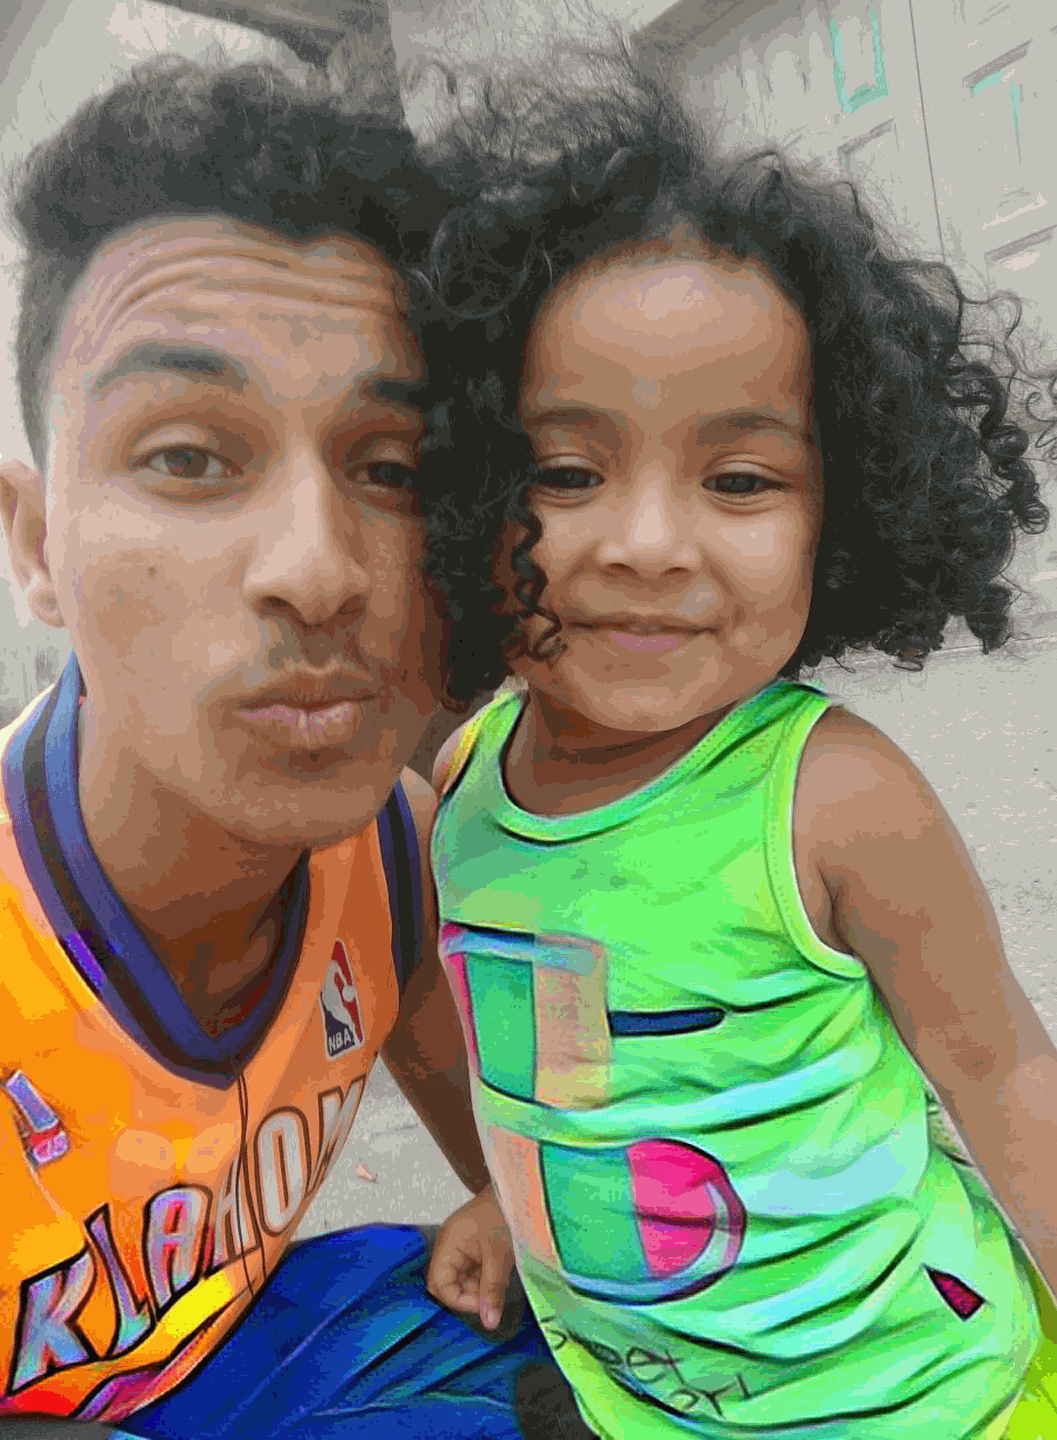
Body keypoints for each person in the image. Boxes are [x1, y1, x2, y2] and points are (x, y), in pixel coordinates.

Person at [420, 52, 1057, 1440]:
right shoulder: (465, 779)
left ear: (847, 512)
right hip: (636, 1404)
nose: (649, 544)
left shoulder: (835, 799)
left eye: (738, 479)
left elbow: (1010, 1081)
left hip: (916, 1404)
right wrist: (509, 1196)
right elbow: (547, 1064)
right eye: (565, 471)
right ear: (459, 482)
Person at [0, 54, 549, 1440]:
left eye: (392, 469)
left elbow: (538, 1179)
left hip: (246, 1359)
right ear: (36, 543)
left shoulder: (396, 853)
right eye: (188, 456)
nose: (318, 569)